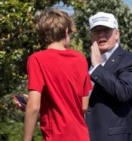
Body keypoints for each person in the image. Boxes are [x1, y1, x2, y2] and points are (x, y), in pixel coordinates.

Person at [23, 8, 92, 141]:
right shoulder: (80, 59)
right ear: (66, 31)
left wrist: (27, 139)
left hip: (56, 136)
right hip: (81, 135)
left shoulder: (37, 60)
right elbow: (84, 105)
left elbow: (34, 106)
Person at [85, 12, 132, 141]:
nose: (101, 35)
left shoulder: (129, 61)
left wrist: (97, 68)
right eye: (96, 31)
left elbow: (124, 92)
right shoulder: (85, 63)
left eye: (106, 30)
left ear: (117, 34)